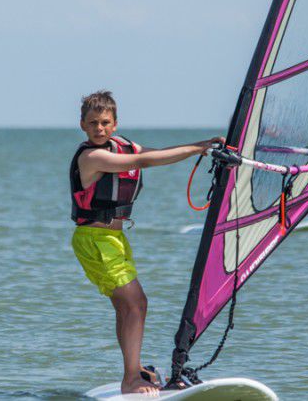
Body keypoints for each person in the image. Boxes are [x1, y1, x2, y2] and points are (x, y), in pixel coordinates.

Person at [70, 90, 224, 394]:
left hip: (114, 239)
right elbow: (145, 160)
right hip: (95, 240)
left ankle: (133, 369)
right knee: (136, 303)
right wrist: (198, 149)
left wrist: (204, 146)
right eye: (93, 123)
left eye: (105, 122)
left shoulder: (122, 146)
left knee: (126, 306)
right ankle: (131, 378)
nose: (99, 128)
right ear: (83, 125)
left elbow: (158, 152)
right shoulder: (92, 156)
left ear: (115, 124)